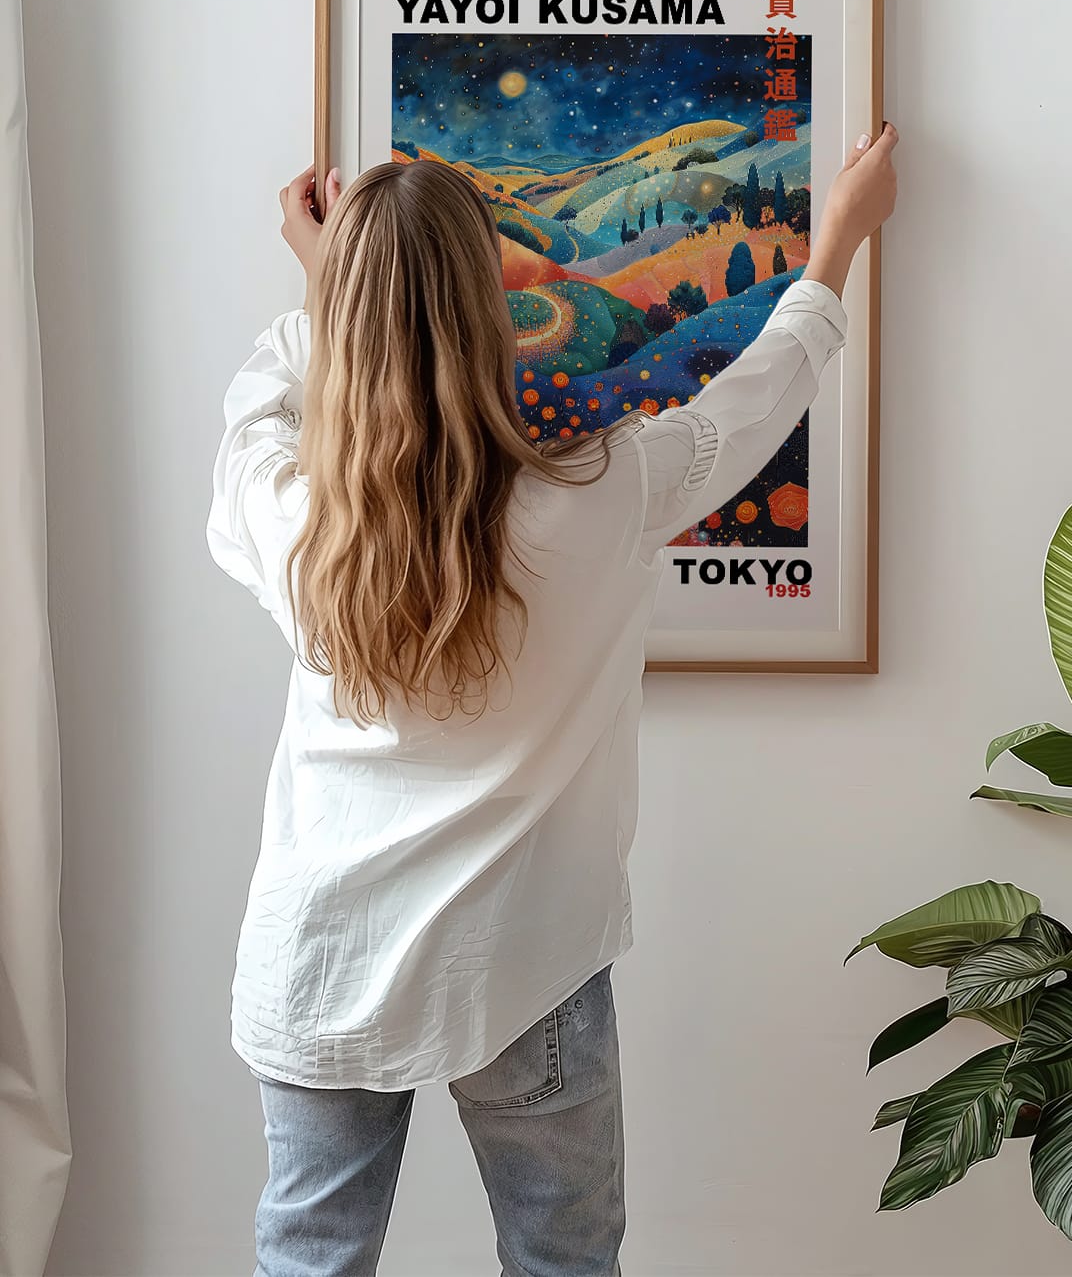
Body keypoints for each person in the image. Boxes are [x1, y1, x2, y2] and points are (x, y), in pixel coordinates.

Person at [206, 123, 898, 1277]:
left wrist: (333, 289)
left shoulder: (293, 519)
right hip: (525, 963)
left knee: (310, 1262)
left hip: (321, 957)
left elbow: (256, 414)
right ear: (495, 302)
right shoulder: (602, 490)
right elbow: (758, 396)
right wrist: (836, 244)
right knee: (563, 1262)